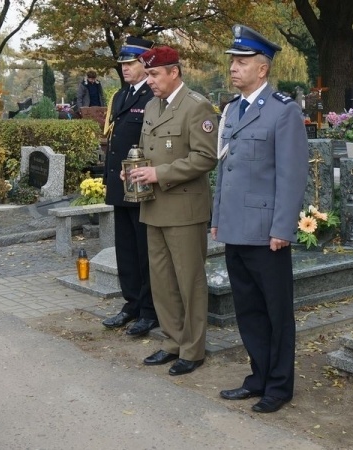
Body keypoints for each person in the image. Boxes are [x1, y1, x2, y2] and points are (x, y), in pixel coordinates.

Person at [210, 24, 308, 413]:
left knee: (276, 313)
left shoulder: (283, 111)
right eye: (232, 61)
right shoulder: (232, 109)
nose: (233, 68)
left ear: (262, 68)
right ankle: (258, 378)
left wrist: (283, 228)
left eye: (241, 61)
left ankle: (279, 386)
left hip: (267, 233)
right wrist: (217, 217)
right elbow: (225, 170)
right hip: (235, 228)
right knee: (248, 310)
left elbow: (292, 176)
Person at [127, 45, 217, 376]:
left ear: (174, 72)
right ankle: (173, 340)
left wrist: (158, 174)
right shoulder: (153, 106)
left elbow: (205, 157)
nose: (149, 80)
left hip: (184, 209)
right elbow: (146, 150)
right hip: (154, 206)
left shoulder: (196, 106)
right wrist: (134, 170)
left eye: (153, 74)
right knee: (162, 281)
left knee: (188, 281)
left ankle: (193, 349)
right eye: (147, 74)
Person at [101, 37, 159, 337]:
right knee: (125, 250)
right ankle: (132, 304)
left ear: (145, 64)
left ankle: (150, 310)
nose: (125, 68)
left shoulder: (153, 95)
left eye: (131, 63)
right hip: (119, 184)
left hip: (141, 186)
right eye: (122, 64)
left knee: (144, 251)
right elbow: (113, 140)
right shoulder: (121, 95)